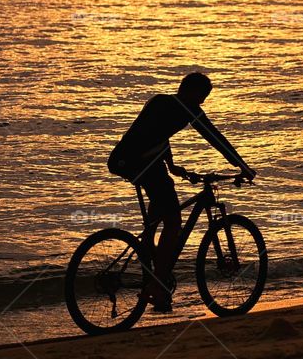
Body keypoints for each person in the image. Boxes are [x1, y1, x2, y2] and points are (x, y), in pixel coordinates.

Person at [108, 72, 255, 312]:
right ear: (189, 91)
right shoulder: (184, 109)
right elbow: (214, 137)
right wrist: (242, 165)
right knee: (174, 222)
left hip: (134, 161)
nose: (202, 103)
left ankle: (157, 281)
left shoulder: (161, 102)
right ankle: (155, 285)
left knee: (157, 217)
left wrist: (172, 165)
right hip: (137, 162)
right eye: (201, 97)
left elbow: (155, 134)